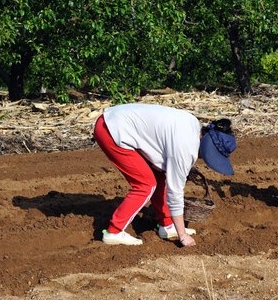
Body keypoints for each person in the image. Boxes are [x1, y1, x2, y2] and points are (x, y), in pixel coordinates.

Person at [93, 103, 236, 246]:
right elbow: (175, 194)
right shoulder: (184, 148)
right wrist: (183, 235)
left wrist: (188, 167)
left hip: (116, 120)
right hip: (111, 129)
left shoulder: (193, 125)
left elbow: (169, 149)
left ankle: (167, 225)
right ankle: (114, 232)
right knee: (145, 184)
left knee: (159, 176)